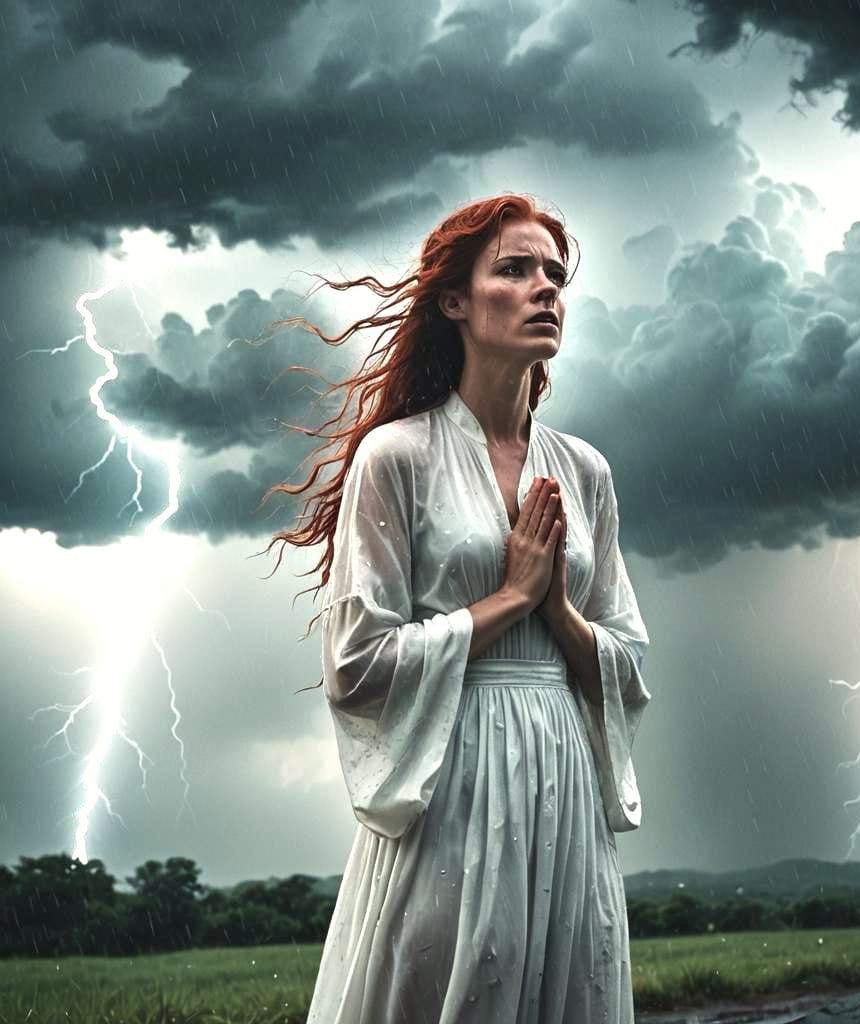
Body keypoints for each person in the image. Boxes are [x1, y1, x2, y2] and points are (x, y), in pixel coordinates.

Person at [264, 194, 651, 1022]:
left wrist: (557, 611)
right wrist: (510, 599)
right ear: (455, 302)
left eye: (554, 273)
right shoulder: (396, 457)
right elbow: (357, 662)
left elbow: (629, 655)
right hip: (448, 780)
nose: (545, 288)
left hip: (565, 791)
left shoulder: (585, 472)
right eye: (514, 270)